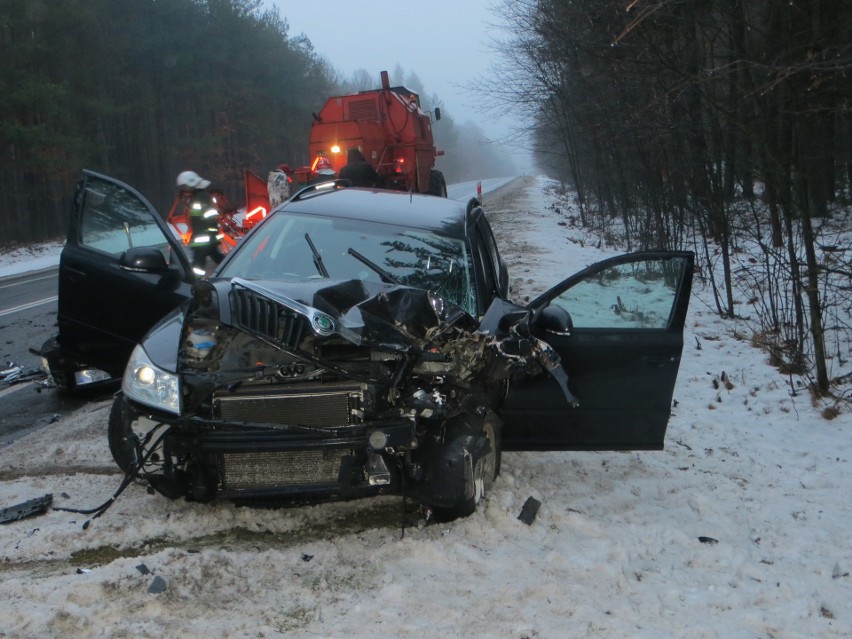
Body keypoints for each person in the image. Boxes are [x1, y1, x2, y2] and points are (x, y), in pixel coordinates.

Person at [176, 170, 221, 274]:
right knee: (218, 258)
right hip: (205, 238)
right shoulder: (197, 197)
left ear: (190, 184)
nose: (184, 189)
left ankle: (196, 284)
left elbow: (210, 216)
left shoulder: (201, 196)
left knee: (198, 266)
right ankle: (235, 270)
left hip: (204, 239)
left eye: (185, 186)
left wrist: (211, 233)